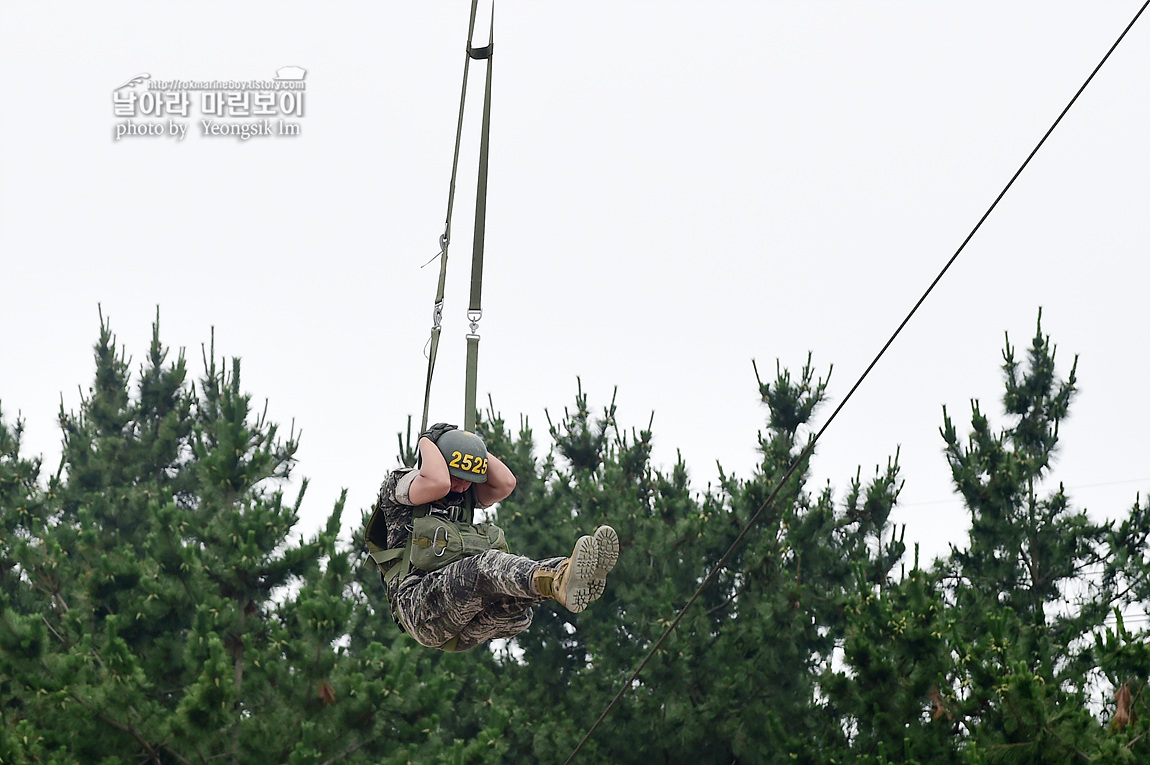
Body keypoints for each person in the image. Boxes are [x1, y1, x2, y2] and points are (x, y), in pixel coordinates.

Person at [365, 423, 618, 652]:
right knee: (486, 566)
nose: (463, 487)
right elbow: (439, 482)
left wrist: (472, 448)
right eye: (458, 477)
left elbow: (506, 483)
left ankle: (569, 573)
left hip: (465, 622)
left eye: (469, 480)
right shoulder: (400, 484)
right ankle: (557, 578)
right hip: (420, 607)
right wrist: (429, 440)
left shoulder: (460, 494)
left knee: (520, 606)